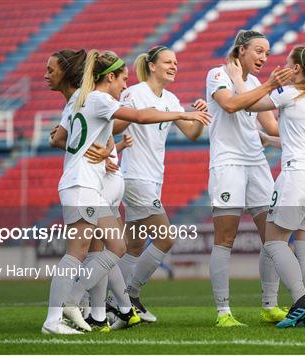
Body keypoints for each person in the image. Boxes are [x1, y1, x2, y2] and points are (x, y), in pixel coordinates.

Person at [42, 49, 211, 334]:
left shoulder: (79, 99)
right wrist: (183, 112)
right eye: (122, 79)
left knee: (117, 247)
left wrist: (111, 148)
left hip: (89, 185)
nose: (125, 86)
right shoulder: (98, 98)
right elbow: (139, 117)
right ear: (109, 77)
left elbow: (62, 137)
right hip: (83, 184)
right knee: (77, 253)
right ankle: (60, 315)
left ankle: (95, 307)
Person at [229, 45, 305, 328]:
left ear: (296, 69)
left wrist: (239, 78)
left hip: (297, 177)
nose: (282, 67)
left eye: (287, 63)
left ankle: (300, 301)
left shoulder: (289, 93)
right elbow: (300, 141)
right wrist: (269, 139)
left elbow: (247, 104)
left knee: (274, 240)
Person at [106, 46, 207, 323]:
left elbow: (193, 134)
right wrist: (141, 116)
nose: (174, 66)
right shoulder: (134, 93)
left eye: (176, 62)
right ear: (152, 66)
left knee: (134, 245)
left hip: (153, 179)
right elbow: (114, 125)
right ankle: (130, 297)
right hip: (135, 178)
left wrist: (198, 115)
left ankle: (109, 303)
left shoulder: (172, 99)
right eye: (167, 62)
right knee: (166, 237)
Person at [205, 29, 292, 327]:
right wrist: (271, 85)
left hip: (256, 163)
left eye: (267, 53)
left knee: (273, 236)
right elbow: (230, 105)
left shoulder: (254, 83)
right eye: (258, 51)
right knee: (225, 237)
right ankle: (223, 312)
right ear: (241, 50)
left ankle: (270, 305)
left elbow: (272, 126)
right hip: (228, 163)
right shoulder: (217, 74)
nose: (264, 58)